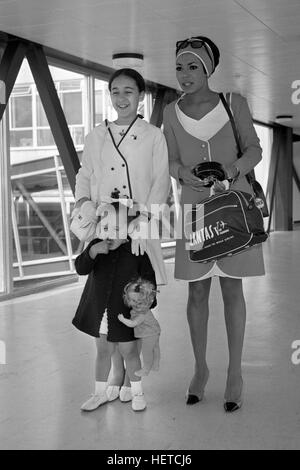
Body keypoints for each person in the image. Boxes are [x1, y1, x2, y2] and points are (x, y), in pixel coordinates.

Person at [163, 36, 265, 412]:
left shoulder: (234, 103)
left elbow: (254, 148)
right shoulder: (170, 113)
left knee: (232, 290)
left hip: (234, 207)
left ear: (208, 68)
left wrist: (233, 168)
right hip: (195, 213)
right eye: (179, 67)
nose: (185, 74)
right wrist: (181, 173)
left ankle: (235, 373)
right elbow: (169, 159)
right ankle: (200, 369)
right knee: (196, 292)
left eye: (192, 66)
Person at [73, 68, 170, 407]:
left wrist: (145, 218)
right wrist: (84, 202)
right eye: (115, 91)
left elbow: (161, 181)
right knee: (106, 304)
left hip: (137, 229)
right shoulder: (95, 136)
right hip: (104, 226)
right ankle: (115, 376)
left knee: (132, 302)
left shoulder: (153, 136)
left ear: (140, 95)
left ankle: (129, 378)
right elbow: (85, 174)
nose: (121, 97)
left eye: (129, 91)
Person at [72, 198, 157, 412]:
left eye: (117, 228)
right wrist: (91, 253)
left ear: (128, 228)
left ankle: (137, 392)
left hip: (124, 313)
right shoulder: (95, 246)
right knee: (102, 351)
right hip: (101, 312)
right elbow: (80, 268)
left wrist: (145, 302)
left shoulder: (135, 251)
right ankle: (99, 393)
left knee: (129, 352)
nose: (110, 233)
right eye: (106, 227)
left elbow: (149, 279)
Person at [118, 277, 161, 377]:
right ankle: (155, 364)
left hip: (148, 334)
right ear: (127, 298)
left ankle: (146, 369)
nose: (136, 303)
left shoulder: (141, 314)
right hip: (155, 331)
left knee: (147, 351)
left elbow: (133, 323)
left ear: (146, 301)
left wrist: (122, 319)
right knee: (155, 348)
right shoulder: (144, 309)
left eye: (140, 301)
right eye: (133, 300)